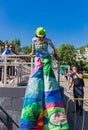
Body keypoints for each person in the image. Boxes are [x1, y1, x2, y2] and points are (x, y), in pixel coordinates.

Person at [19, 27, 69, 130]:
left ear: (44, 36)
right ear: (36, 36)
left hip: (46, 58)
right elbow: (33, 48)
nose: (41, 39)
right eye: (39, 37)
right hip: (38, 58)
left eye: (42, 37)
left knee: (47, 75)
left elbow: (53, 48)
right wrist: (31, 53)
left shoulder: (48, 40)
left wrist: (55, 54)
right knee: (36, 74)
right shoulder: (33, 40)